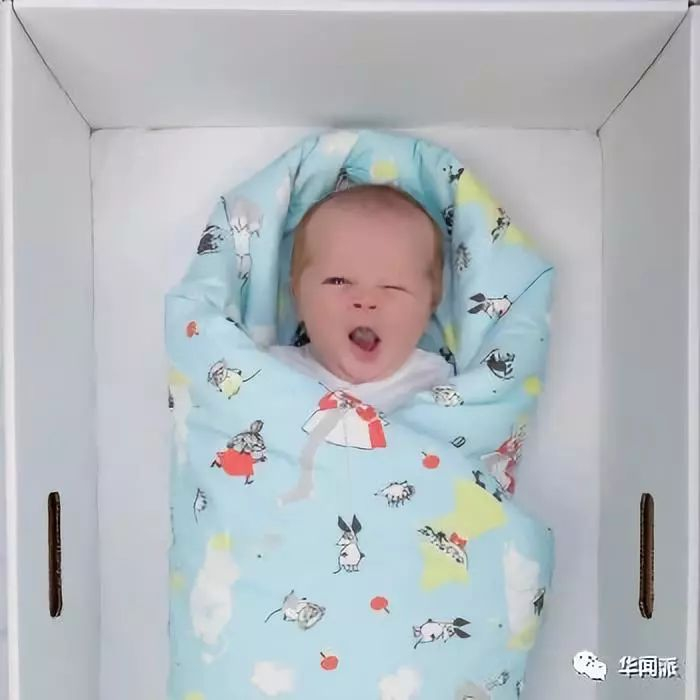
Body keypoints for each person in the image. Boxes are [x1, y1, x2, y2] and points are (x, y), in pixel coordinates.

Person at [268, 183, 452, 414]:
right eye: (338, 281)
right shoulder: (269, 371)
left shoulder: (440, 385)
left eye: (392, 287)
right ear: (298, 298)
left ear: (430, 305)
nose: (365, 300)